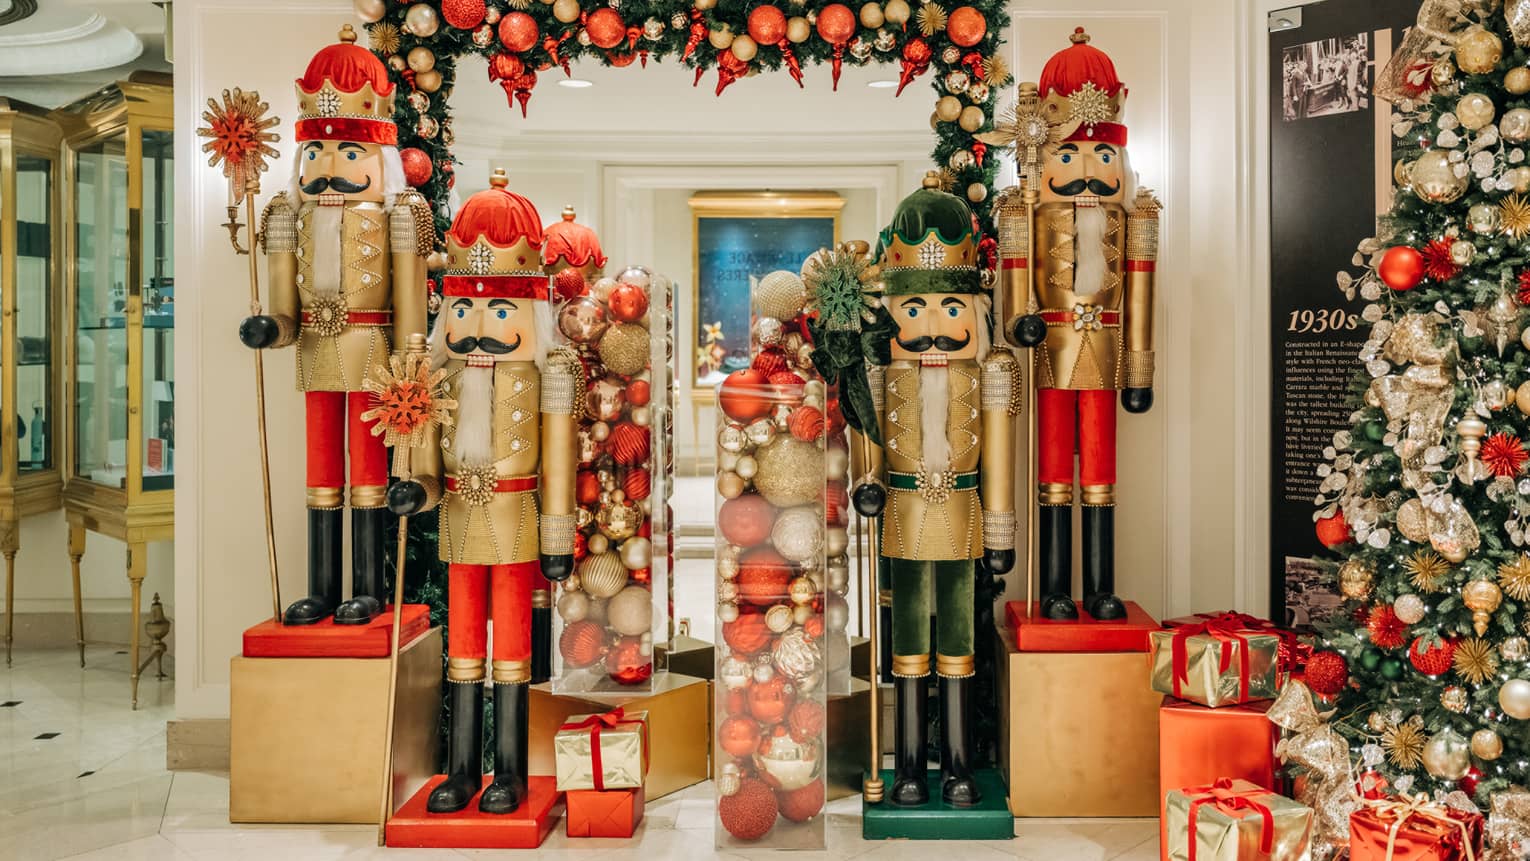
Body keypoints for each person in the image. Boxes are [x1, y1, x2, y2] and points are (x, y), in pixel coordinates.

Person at [241, 24, 432, 626]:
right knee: (322, 470)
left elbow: (408, 296)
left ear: (377, 159)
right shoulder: (284, 215)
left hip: (375, 349)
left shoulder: (399, 213)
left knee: (369, 471)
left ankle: (367, 588)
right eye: (318, 154)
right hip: (317, 350)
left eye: (348, 154)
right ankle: (321, 587)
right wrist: (270, 327)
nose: (331, 168)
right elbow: (282, 303)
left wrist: (412, 362)